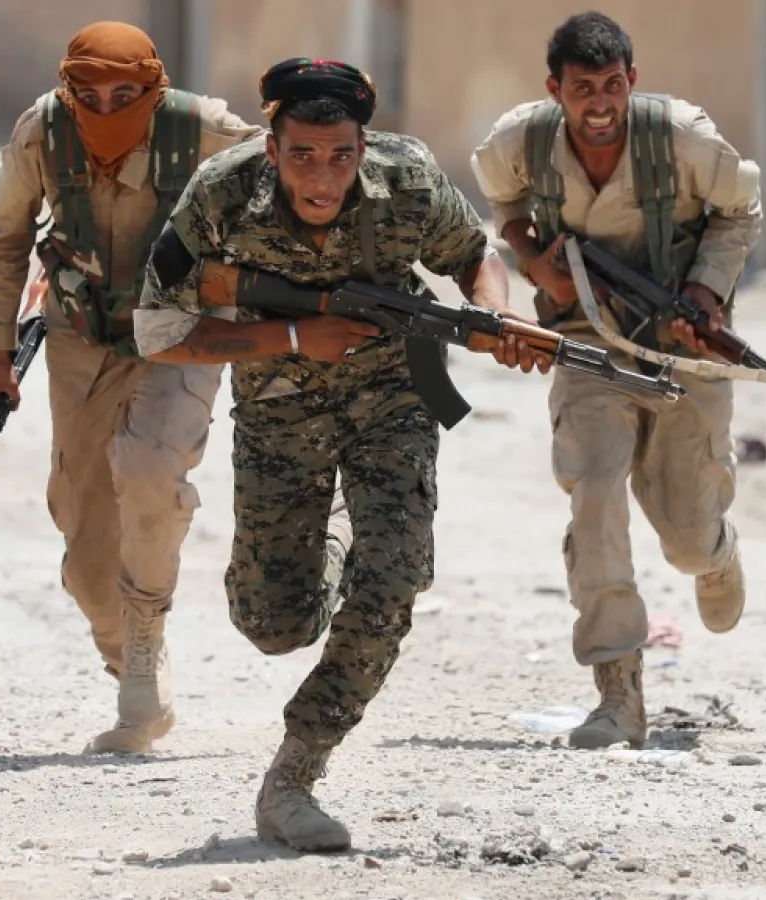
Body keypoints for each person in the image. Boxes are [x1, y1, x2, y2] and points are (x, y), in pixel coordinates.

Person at [134, 58, 530, 852]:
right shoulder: (220, 190)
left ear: (364, 143)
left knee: (394, 580)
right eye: (303, 154)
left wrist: (494, 313)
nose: (323, 175)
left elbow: (473, 254)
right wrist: (290, 335)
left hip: (395, 400)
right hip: (279, 411)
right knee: (273, 627)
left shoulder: (409, 177)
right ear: (272, 145)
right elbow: (160, 330)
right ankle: (338, 544)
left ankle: (294, 776)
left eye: (342, 154)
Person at [0, 22, 263, 753]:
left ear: (154, 88)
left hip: (182, 335)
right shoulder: (45, 131)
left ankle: (145, 638)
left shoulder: (199, 128)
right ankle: (136, 660)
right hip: (81, 339)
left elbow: (293, 179)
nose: (105, 107)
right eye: (88, 93)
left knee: (153, 470)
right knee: (86, 544)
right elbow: (2, 238)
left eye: (125, 94)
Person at [470, 11, 763, 751]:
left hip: (678, 350)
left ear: (632, 80)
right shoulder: (520, 143)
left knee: (687, 538)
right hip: (585, 344)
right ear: (555, 89)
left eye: (611, 86)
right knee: (595, 493)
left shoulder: (684, 139)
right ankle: (618, 689)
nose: (598, 104)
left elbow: (740, 210)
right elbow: (501, 204)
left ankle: (718, 554)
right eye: (581, 89)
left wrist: (704, 293)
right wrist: (531, 257)